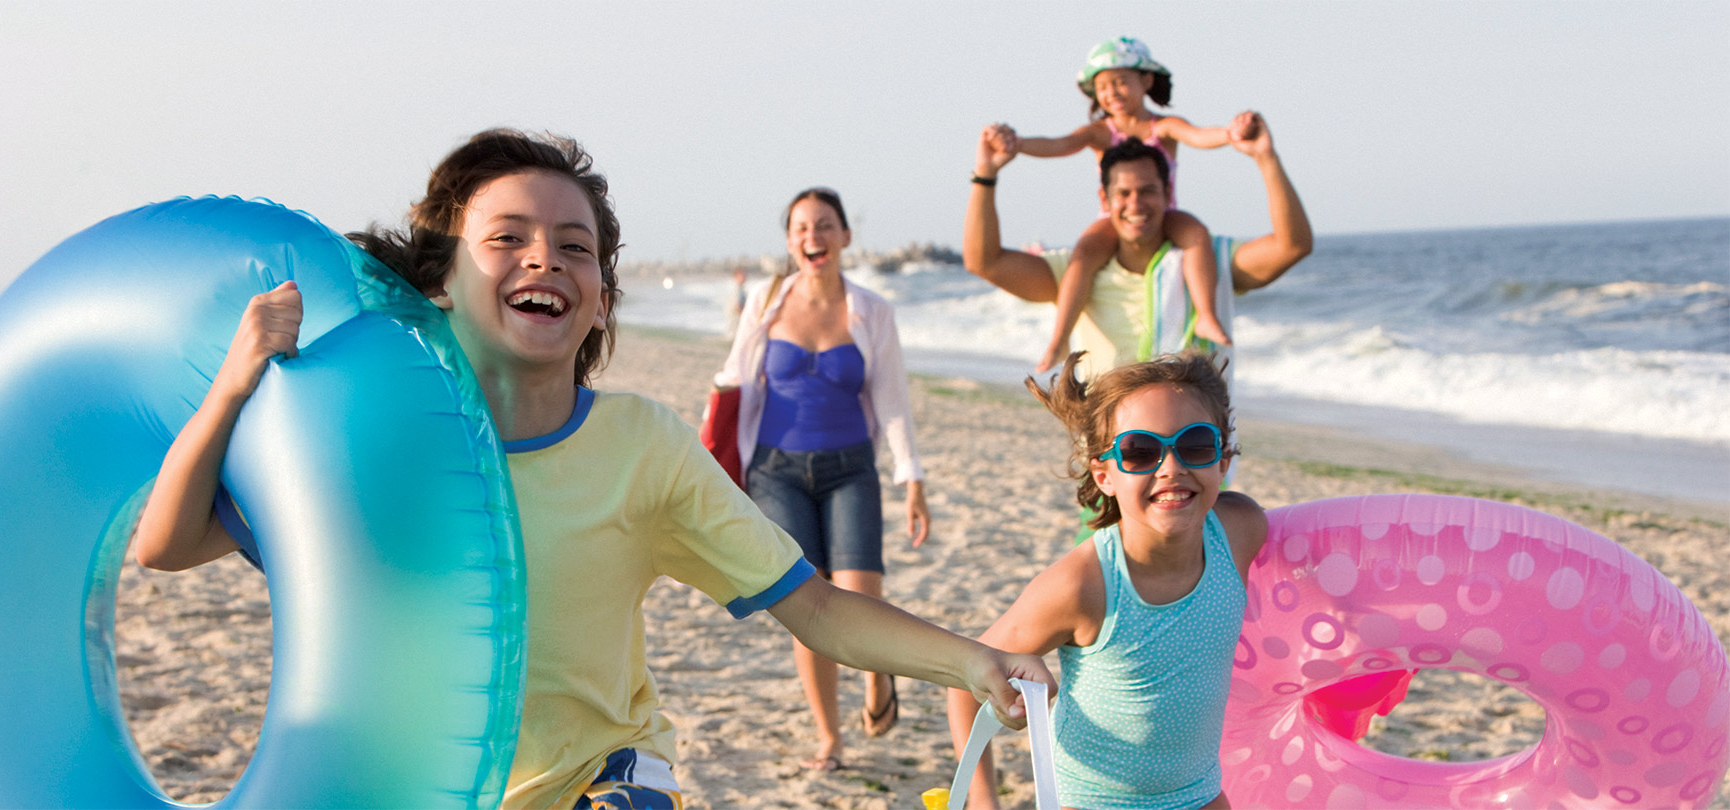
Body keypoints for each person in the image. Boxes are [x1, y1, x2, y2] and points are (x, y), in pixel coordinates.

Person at [130, 130, 1055, 809]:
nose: (546, 258)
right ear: (442, 277)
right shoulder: (379, 445)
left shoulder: (643, 448)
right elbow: (166, 546)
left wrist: (967, 661)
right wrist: (232, 388)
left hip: (602, 780)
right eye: (508, 238)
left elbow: (811, 607)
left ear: (601, 299)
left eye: (577, 247)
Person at [946, 352, 1267, 810]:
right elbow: (966, 680)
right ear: (1104, 475)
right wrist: (983, 801)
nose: (1171, 467)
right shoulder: (1084, 584)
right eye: (1141, 451)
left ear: (1223, 459)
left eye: (1194, 445)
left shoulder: (1241, 531)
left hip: (1200, 796)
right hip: (1093, 801)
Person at [713, 187, 929, 772]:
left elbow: (891, 399)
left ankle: (878, 668)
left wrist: (912, 476)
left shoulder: (872, 311)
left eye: (826, 226)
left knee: (861, 598)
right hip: (775, 472)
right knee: (808, 608)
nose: (815, 237)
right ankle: (829, 737)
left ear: (845, 237)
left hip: (850, 469)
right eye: (803, 228)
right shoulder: (764, 302)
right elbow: (732, 380)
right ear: (790, 241)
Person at [965, 110, 1312, 382]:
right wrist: (986, 174)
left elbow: (1292, 245)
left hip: (1191, 458)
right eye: (1124, 193)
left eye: (1147, 191)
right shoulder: (1076, 272)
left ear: (1168, 193)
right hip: (1112, 460)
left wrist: (1265, 157)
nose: (1135, 204)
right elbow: (985, 262)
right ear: (1104, 198)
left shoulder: (1206, 261)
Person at [1003, 37, 1243, 364]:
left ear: (1145, 80)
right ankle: (1059, 339)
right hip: (1114, 219)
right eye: (1102, 87)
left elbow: (1200, 136)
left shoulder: (1165, 126)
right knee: (1084, 253)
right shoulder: (1100, 131)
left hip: (1162, 214)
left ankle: (1206, 315)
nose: (1112, 93)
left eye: (1120, 82)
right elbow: (1058, 144)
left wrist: (1230, 133)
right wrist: (1018, 144)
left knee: (1196, 234)